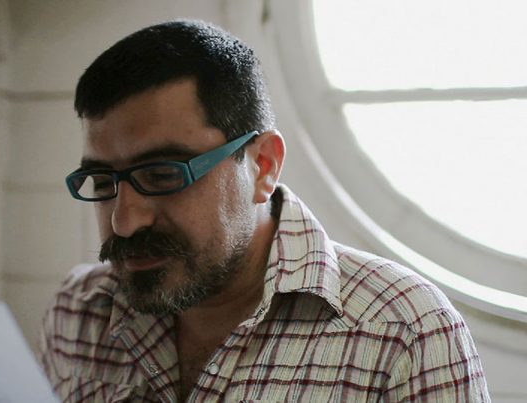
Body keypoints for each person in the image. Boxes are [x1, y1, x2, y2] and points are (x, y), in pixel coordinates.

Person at [37, 19, 490, 402]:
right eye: (103, 181)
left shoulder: (403, 331)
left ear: (264, 166)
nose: (124, 221)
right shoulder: (80, 311)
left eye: (163, 175)